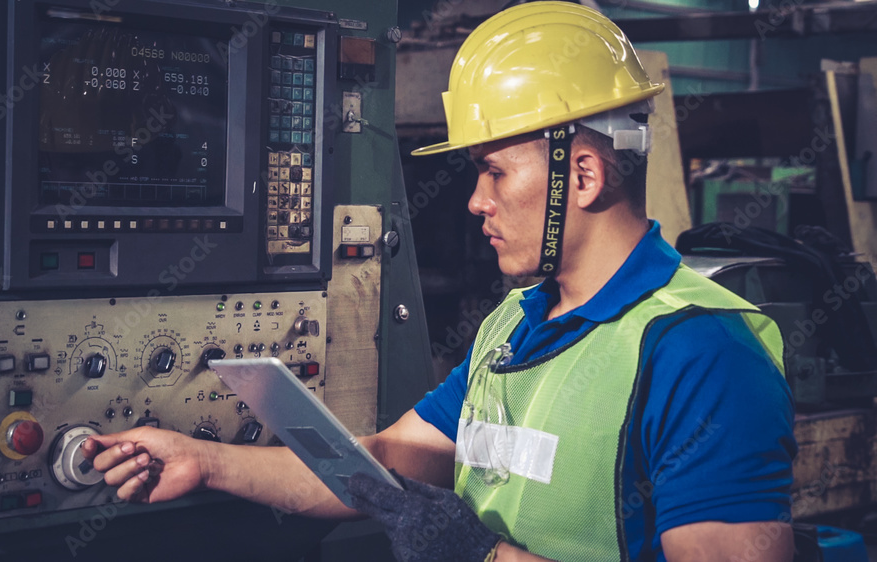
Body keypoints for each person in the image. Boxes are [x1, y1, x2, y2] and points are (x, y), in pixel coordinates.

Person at [84, 3, 797, 560]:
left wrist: (483, 554)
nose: (476, 202)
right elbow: (392, 461)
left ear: (581, 175)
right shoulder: (518, 323)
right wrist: (203, 462)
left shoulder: (701, 353)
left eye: (494, 171)